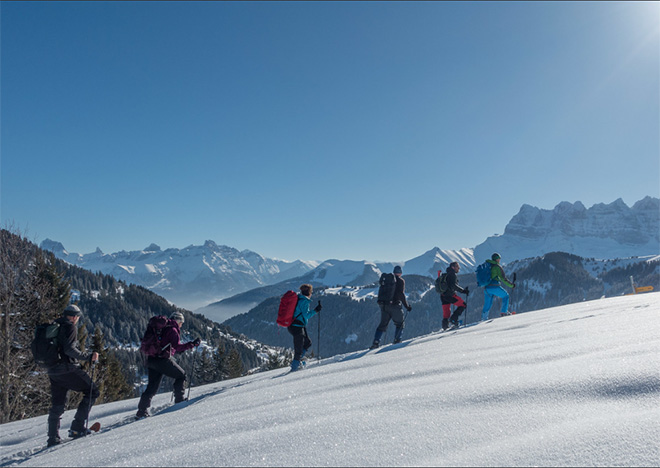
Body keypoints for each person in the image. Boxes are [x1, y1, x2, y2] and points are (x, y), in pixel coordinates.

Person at [46, 304, 100, 447]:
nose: (77, 319)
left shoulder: (55, 326)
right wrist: (87, 357)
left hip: (53, 370)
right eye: (77, 316)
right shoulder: (70, 326)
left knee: (57, 404)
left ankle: (52, 437)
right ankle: (77, 426)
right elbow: (69, 349)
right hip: (67, 369)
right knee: (92, 391)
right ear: (74, 316)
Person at [136, 312, 200, 419]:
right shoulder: (173, 329)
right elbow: (178, 346)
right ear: (178, 321)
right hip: (162, 360)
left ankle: (141, 411)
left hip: (151, 359)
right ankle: (179, 400)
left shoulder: (162, 328)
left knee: (152, 387)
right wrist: (192, 344)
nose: (181, 325)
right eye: (181, 323)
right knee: (181, 375)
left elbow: (169, 346)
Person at [370, 265, 412, 349]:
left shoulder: (387, 281)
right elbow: (401, 294)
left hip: (384, 305)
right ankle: (397, 340)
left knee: (382, 325)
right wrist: (406, 306)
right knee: (400, 323)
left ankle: (376, 342)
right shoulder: (400, 281)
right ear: (400, 273)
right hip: (395, 305)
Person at [287, 284, 322, 372]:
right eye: (311, 292)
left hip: (296, 325)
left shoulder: (299, 298)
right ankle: (294, 367)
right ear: (309, 292)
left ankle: (297, 361)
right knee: (299, 348)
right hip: (297, 326)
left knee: (307, 343)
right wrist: (316, 310)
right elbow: (306, 315)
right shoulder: (304, 301)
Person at [482, 253, 515, 321]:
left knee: (488, 302)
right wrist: (511, 285)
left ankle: (484, 317)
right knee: (505, 296)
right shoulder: (497, 267)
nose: (499, 260)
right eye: (499, 258)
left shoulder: (487, 265)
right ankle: (504, 312)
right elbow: (503, 278)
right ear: (496, 259)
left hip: (486, 288)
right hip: (494, 286)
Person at [440, 262, 470, 330]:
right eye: (457, 267)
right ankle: (453, 319)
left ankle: (445, 326)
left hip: (443, 296)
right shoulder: (452, 274)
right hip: (450, 295)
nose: (459, 268)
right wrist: (463, 291)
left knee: (446, 312)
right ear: (453, 267)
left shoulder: (446, 274)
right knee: (463, 305)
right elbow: (453, 286)